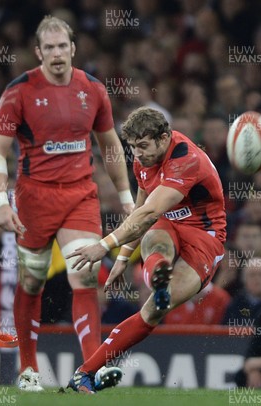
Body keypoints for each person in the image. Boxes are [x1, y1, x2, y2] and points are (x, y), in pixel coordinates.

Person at [0, 16, 133, 392]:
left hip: (80, 193)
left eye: (62, 46)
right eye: (48, 48)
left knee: (84, 273)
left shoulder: (93, 89)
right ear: (38, 52)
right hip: (34, 197)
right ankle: (28, 370)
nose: (56, 53)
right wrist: (2, 202)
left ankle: (91, 370)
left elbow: (110, 145)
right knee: (32, 281)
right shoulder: (19, 93)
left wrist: (127, 198)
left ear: (73, 49)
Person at [66, 106, 227, 393]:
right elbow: (140, 210)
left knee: (153, 311)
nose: (137, 154)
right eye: (132, 147)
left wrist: (103, 246)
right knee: (156, 237)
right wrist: (123, 258)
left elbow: (149, 210)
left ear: (164, 138)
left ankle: (158, 282)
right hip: (167, 224)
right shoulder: (144, 160)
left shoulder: (186, 159)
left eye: (142, 146)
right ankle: (84, 374)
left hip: (205, 236)